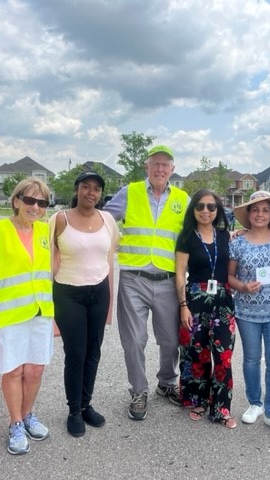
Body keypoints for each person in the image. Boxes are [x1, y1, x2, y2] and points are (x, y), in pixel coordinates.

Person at [103, 145, 189, 421]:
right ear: (147, 167)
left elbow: (200, 230)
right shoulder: (130, 192)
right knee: (134, 340)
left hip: (167, 280)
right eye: (155, 164)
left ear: (172, 170)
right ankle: (138, 391)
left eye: (165, 165)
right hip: (134, 278)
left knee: (171, 339)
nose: (160, 169)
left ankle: (166, 382)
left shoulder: (183, 200)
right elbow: (104, 220)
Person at [0, 177, 54, 455]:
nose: (35, 207)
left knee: (35, 370)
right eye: (30, 200)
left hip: (39, 312)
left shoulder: (45, 231)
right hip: (8, 315)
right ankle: (15, 423)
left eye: (41, 202)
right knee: (13, 370)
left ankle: (28, 414)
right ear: (17, 200)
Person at [50, 171, 119, 438]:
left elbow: (115, 251)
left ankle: (87, 404)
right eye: (86, 187)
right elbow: (42, 252)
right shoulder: (59, 220)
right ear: (77, 189)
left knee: (94, 351)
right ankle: (74, 410)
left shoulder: (108, 220)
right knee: (76, 353)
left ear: (101, 194)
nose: (91, 193)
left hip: (99, 291)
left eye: (96, 189)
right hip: (69, 293)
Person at [227, 190, 270, 437]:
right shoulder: (237, 242)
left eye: (265, 210)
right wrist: (244, 286)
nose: (260, 214)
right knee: (251, 359)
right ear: (248, 213)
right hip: (247, 311)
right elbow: (229, 277)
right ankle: (254, 403)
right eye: (255, 210)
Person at [175, 189, 236, 428]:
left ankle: (221, 407)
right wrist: (183, 306)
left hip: (222, 300)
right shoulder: (187, 236)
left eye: (211, 207)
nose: (205, 211)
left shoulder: (225, 236)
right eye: (200, 206)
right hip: (195, 300)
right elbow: (180, 273)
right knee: (195, 353)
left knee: (223, 357)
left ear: (217, 211)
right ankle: (198, 400)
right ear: (193, 210)